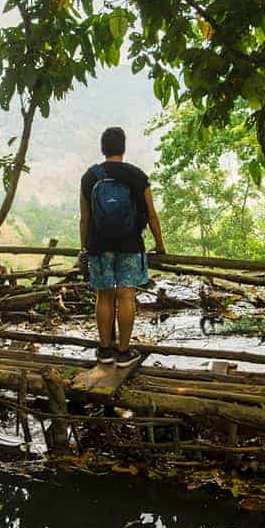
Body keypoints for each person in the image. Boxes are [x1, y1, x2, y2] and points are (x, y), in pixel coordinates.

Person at [78, 126, 166, 368]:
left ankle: (105, 350)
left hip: (98, 245)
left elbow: (85, 218)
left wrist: (84, 247)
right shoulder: (137, 176)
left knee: (103, 295)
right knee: (126, 295)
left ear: (102, 148)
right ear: (123, 148)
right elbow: (151, 215)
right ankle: (124, 353)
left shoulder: (90, 177)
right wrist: (160, 245)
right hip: (129, 244)